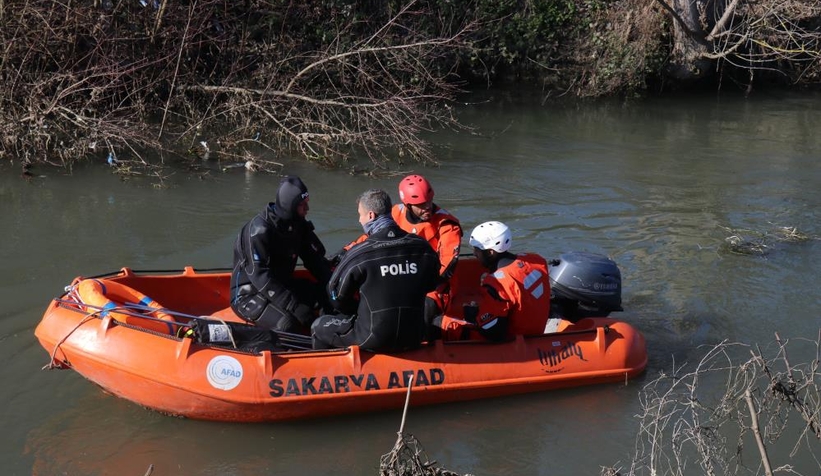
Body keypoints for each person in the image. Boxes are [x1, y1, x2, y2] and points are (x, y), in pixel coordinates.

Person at [329, 174, 462, 336]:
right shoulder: (395, 213)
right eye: (420, 204)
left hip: (432, 284)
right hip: (397, 274)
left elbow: (446, 267)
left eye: (429, 201)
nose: (427, 207)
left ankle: (429, 339)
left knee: (425, 309)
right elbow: (373, 237)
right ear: (407, 204)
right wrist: (346, 250)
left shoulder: (447, 225)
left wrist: (415, 286)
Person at [312, 189, 440, 352]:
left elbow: (335, 295)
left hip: (371, 337)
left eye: (360, 214)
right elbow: (432, 284)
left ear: (371, 215)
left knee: (319, 326)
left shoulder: (359, 253)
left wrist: (356, 310)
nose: (359, 220)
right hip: (415, 335)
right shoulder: (422, 247)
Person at [230, 176, 332, 333]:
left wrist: (334, 287)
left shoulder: (299, 225)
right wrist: (294, 306)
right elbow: (260, 277)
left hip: (283, 285)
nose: (307, 209)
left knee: (327, 298)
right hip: (249, 294)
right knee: (287, 324)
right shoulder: (258, 231)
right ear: (289, 206)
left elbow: (314, 260)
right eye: (302, 205)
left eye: (307, 203)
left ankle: (334, 337)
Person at [461, 221, 551, 341]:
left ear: (491, 252)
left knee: (449, 325)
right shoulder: (536, 260)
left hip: (517, 340)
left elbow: (493, 333)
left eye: (477, 250)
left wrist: (472, 315)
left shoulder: (497, 284)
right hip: (538, 328)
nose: (474, 253)